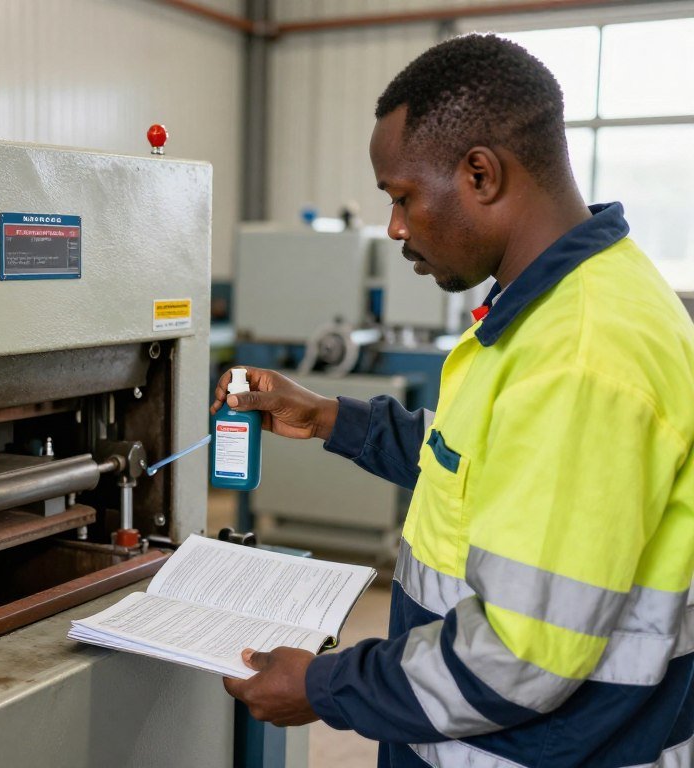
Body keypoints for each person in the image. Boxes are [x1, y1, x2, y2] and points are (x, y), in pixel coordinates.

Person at [215, 33, 694, 767]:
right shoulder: (551, 307)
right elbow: (480, 462)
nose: (397, 228)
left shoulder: (582, 354)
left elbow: (518, 656)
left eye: (403, 198)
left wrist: (324, 684)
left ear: (480, 174)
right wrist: (329, 417)